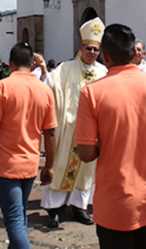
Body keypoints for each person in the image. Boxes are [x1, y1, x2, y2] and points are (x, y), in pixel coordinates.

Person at [76, 24, 146, 249]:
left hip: (114, 200)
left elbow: (85, 153)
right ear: (135, 53)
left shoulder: (92, 93)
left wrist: (111, 147)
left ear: (105, 55)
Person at [0, 42, 57, 249]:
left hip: (6, 165)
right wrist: (49, 166)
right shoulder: (44, 90)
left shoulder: (3, 87)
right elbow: (50, 132)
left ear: (9, 63)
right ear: (32, 63)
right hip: (31, 163)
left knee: (15, 220)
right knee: (20, 214)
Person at [40, 17, 108, 228]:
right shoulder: (65, 69)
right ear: (81, 47)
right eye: (88, 48)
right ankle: (55, 209)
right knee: (60, 165)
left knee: (88, 170)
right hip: (67, 129)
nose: (92, 52)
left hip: (92, 131)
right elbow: (49, 85)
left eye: (96, 49)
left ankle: (80, 207)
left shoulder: (104, 73)